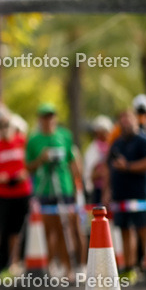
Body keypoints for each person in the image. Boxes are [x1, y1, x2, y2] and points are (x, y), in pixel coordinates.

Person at [25, 103, 85, 278]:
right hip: (44, 189)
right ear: (40, 119)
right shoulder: (33, 140)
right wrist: (41, 159)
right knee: (47, 229)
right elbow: (28, 167)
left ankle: (69, 267)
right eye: (45, 116)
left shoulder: (65, 136)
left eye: (51, 116)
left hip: (64, 188)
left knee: (65, 229)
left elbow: (73, 162)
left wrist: (77, 187)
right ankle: (50, 266)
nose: (48, 120)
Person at [105, 108, 146, 282]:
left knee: (143, 229)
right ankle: (129, 267)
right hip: (120, 195)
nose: (125, 123)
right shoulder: (117, 143)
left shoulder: (144, 140)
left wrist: (128, 167)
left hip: (140, 194)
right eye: (122, 120)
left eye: (128, 119)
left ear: (135, 120)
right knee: (125, 230)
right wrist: (107, 191)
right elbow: (108, 167)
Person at [0, 110, 32, 277]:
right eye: (1, 126)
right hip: (3, 194)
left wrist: (25, 173)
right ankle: (1, 263)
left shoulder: (22, 142)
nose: (4, 129)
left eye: (7, 125)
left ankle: (16, 262)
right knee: (3, 230)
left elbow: (32, 164)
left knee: (19, 230)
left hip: (21, 192)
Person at [83, 116, 113, 205]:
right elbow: (89, 173)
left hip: (113, 188)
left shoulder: (113, 145)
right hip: (98, 189)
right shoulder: (92, 149)